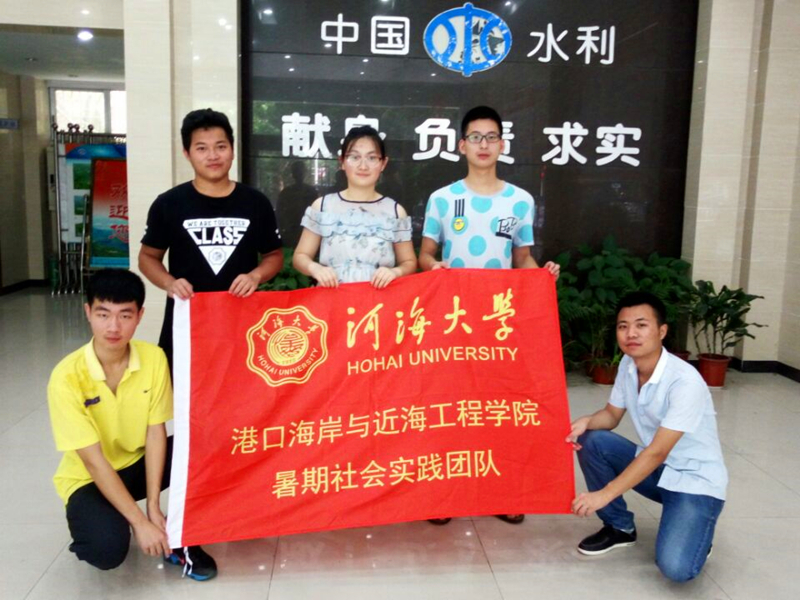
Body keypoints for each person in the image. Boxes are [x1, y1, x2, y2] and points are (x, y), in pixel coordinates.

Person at [419, 105, 560, 525]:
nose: (484, 144)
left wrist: (543, 275)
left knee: (499, 407)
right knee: (450, 407)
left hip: (500, 323)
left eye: (491, 137)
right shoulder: (443, 199)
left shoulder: (521, 200)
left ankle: (504, 492)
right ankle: (445, 494)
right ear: (462, 145)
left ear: (502, 144)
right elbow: (425, 255)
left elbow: (523, 259)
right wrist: (434, 267)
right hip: (453, 320)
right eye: (476, 137)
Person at [47, 269, 217, 580]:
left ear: (140, 316)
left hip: (136, 465)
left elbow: (155, 433)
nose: (113, 327)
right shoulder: (65, 377)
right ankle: (104, 519)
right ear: (88, 312)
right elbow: (93, 461)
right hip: (88, 479)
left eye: (125, 315)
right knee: (106, 550)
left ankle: (182, 533)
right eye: (103, 314)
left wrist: (153, 506)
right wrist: (139, 522)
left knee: (206, 444)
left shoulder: (153, 358)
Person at [567, 291, 727, 582]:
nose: (631, 333)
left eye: (641, 325)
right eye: (623, 326)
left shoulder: (684, 381)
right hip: (659, 471)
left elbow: (657, 452)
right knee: (592, 439)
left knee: (676, 568)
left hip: (694, 481)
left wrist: (604, 494)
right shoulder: (628, 365)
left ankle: (699, 533)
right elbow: (611, 415)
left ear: (662, 331)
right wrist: (587, 421)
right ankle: (619, 528)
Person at [139, 108, 283, 366]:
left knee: (241, 386)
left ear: (232, 150)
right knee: (184, 388)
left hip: (244, 324)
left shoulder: (256, 202)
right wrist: (170, 283)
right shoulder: (169, 204)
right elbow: (147, 257)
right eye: (202, 148)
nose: (213, 156)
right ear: (187, 153)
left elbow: (274, 255)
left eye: (221, 146)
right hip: (187, 321)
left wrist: (255, 276)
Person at [293, 125, 416, 287]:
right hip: (331, 296)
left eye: (372, 158)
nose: (363, 166)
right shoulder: (322, 206)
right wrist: (315, 268)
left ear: (383, 163)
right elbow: (300, 256)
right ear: (342, 162)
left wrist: (395, 272)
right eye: (354, 157)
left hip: (379, 299)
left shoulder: (395, 211)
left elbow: (409, 262)